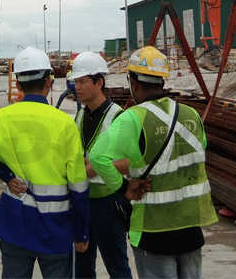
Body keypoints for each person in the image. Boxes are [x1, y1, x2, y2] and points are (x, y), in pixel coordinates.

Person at [0, 46, 90, 279]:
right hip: (56, 227)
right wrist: (81, 233)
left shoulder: (2, 118)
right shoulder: (65, 124)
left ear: (17, 84)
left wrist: (6, 175)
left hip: (15, 225)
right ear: (49, 81)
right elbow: (78, 185)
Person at [89, 46, 217, 279]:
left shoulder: (133, 118)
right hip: (190, 227)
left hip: (153, 230)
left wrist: (124, 188)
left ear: (133, 83)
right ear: (162, 81)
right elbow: (200, 149)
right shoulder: (192, 115)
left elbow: (98, 157)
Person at [71, 52, 132, 279]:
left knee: (117, 266)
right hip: (82, 200)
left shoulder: (118, 117)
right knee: (83, 269)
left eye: (83, 81)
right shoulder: (79, 116)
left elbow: (131, 162)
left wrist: (96, 166)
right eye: (75, 82)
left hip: (109, 204)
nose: (77, 87)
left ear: (99, 82)